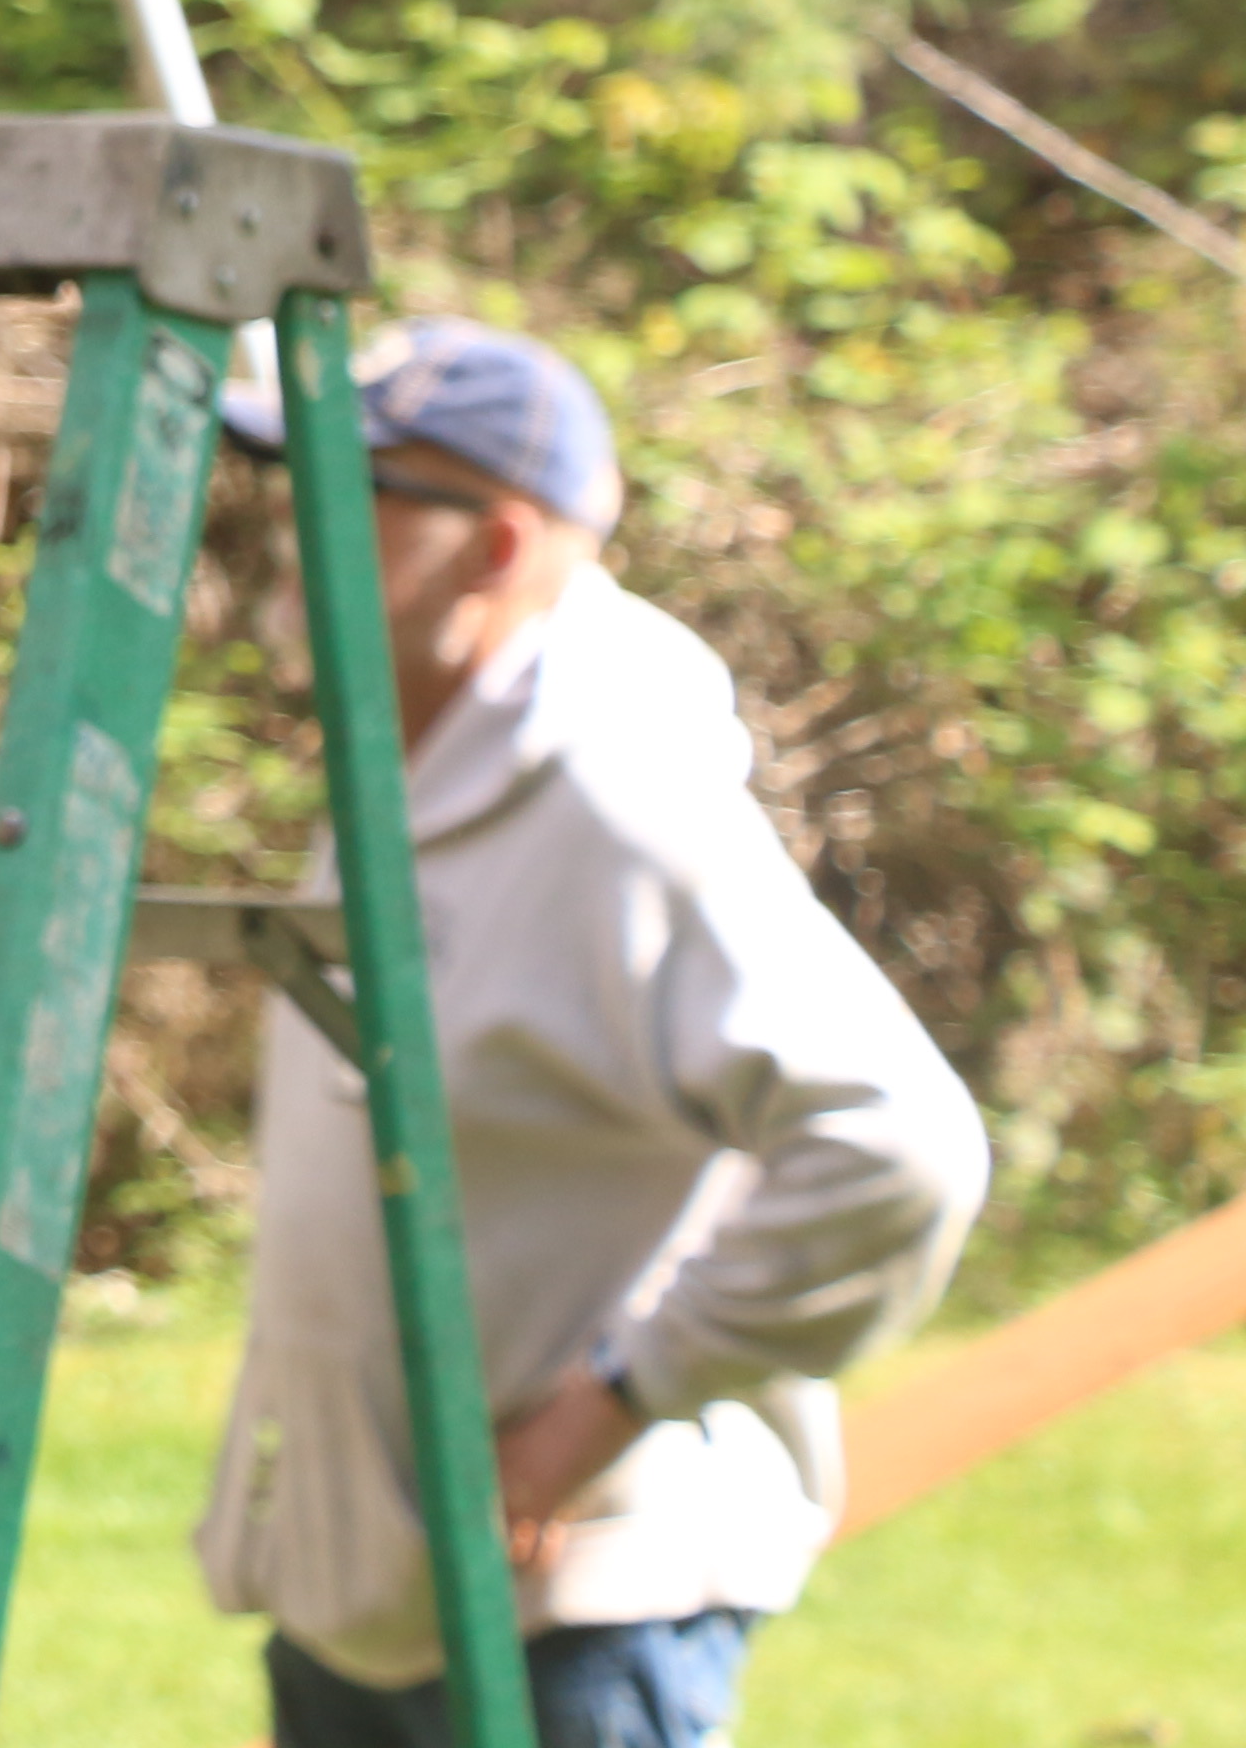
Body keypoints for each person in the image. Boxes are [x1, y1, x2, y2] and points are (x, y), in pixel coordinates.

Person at [205, 320, 988, 1748]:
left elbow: (897, 1144)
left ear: (496, 546)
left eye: (351, 490)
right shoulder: (419, 760)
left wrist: (602, 1413)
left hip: (567, 1618)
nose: (293, 533)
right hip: (381, 1590)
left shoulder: (616, 798)